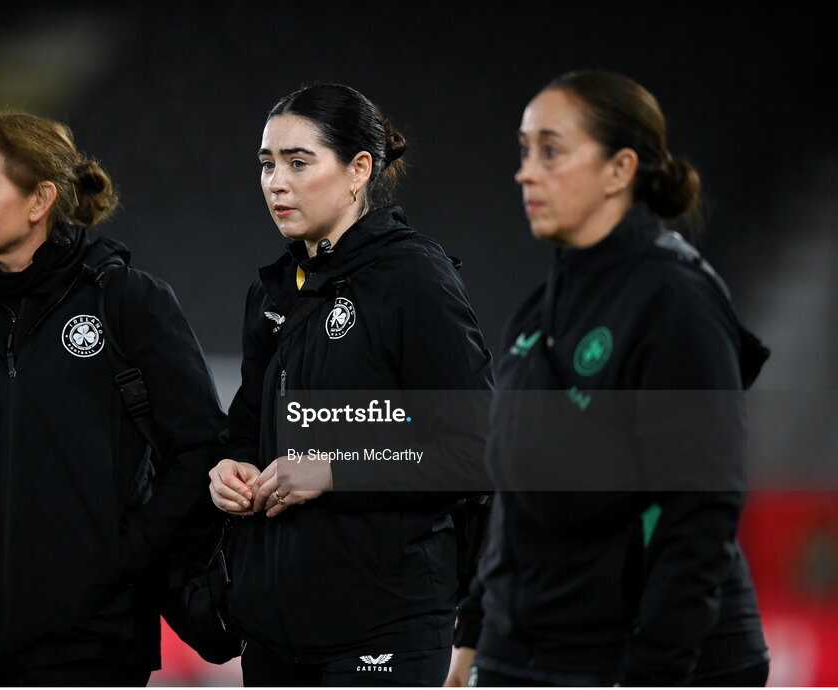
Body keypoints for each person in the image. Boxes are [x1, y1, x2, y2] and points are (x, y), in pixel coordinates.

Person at [0, 112, 227, 686]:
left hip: (92, 649)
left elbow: (202, 454)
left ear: (40, 200)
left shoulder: (129, 303)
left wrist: (121, 561)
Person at [445, 70, 771, 687]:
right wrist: (474, 632)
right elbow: (514, 496)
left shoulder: (676, 300)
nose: (526, 171)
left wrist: (652, 675)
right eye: (523, 150)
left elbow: (698, 515)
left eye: (550, 150)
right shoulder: (537, 311)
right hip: (533, 656)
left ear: (620, 170)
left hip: (641, 661)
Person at [207, 83, 495, 686]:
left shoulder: (415, 280)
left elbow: (473, 453)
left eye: (298, 162)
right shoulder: (273, 291)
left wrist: (335, 470)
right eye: (267, 164)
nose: (275, 182)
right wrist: (230, 466)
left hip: (383, 624)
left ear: (359, 169)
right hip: (276, 629)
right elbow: (250, 423)